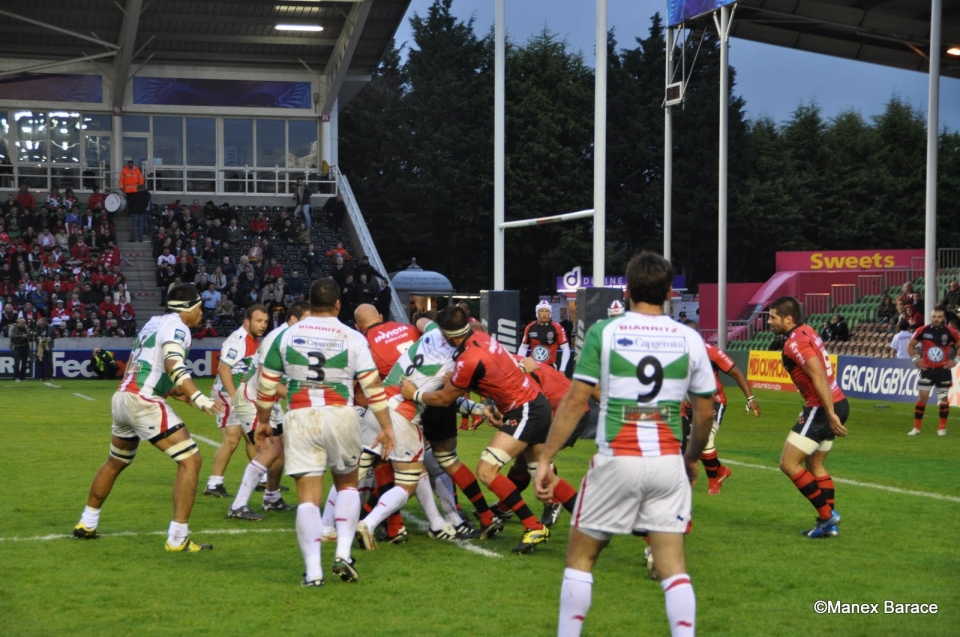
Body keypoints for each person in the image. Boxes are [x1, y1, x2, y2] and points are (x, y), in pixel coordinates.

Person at [533, 252, 716, 637]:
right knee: (673, 566)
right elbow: (703, 415)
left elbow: (575, 401)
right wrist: (692, 458)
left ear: (628, 291)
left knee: (581, 558)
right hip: (668, 460)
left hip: (618, 457)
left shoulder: (605, 332)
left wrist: (547, 456)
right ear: (669, 293)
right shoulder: (690, 338)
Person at [254, 278, 396, 587]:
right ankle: (343, 554)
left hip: (300, 415)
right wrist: (386, 426)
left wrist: (263, 420)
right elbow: (372, 386)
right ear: (337, 304)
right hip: (340, 414)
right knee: (346, 485)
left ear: (308, 303)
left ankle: (313, 572)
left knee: (307, 497)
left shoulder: (285, 335)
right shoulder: (352, 336)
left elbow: (266, 384)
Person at [402, 305, 576, 554]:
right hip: (532, 404)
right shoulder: (481, 338)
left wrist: (414, 393)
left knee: (487, 469)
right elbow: (496, 377)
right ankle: (589, 520)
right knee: (542, 472)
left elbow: (443, 399)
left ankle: (533, 526)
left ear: (448, 336)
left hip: (525, 409)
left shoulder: (467, 359)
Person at [72, 284, 224, 552]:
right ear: (187, 307)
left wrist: (177, 392)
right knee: (191, 461)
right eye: (199, 308)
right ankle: (178, 538)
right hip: (143, 401)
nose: (202, 314)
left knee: (115, 461)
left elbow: (150, 364)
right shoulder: (179, 327)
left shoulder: (154, 323)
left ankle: (87, 523)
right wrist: (198, 397)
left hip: (123, 397)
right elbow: (173, 364)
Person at [767, 296, 848, 539]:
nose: (769, 322)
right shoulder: (807, 331)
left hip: (824, 408)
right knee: (815, 464)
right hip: (836, 403)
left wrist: (829, 413)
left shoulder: (794, 343)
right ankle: (829, 527)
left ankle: (827, 516)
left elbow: (819, 376)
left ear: (788, 319)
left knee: (788, 464)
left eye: (773, 317)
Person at [227, 301, 311, 521]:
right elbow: (267, 380)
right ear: (293, 319)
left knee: (282, 451)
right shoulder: (278, 338)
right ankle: (238, 505)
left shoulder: (294, 337)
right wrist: (300, 397)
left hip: (269, 400)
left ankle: (271, 498)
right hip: (252, 397)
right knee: (270, 450)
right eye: (307, 320)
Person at [683, 319, 761, 494]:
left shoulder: (712, 353)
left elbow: (736, 372)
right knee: (690, 442)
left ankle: (714, 483)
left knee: (705, 440)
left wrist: (750, 398)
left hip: (714, 401)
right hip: (689, 404)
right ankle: (720, 471)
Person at [203, 305, 270, 499]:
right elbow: (224, 369)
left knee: (251, 437)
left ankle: (262, 479)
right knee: (232, 439)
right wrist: (234, 397)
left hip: (240, 393)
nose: (263, 325)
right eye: (259, 321)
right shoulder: (237, 340)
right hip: (227, 392)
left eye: (265, 321)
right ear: (247, 322)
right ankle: (214, 484)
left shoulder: (255, 340)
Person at [907, 305, 960, 436]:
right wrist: (916, 361)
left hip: (943, 370)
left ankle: (942, 428)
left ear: (943, 318)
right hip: (927, 369)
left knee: (943, 398)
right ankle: (916, 428)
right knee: (923, 397)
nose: (936, 319)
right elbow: (910, 345)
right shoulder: (922, 330)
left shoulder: (950, 331)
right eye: (934, 316)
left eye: (939, 317)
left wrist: (956, 361)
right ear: (931, 317)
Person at [517, 300, 571, 372]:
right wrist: (520, 363)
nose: (544, 314)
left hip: (550, 367)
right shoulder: (529, 327)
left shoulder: (558, 328)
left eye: (546, 311)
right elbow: (523, 347)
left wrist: (562, 369)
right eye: (542, 311)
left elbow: (566, 348)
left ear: (550, 313)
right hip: (533, 367)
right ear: (537, 313)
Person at [10, 317, 31, 381]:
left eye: (24, 323)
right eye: (21, 323)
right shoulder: (14, 328)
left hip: (25, 347)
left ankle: (23, 377)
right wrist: (22, 336)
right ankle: (16, 377)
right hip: (17, 347)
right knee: (17, 362)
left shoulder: (26, 328)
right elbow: (12, 336)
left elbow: (29, 336)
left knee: (24, 363)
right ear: (18, 322)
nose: (23, 324)